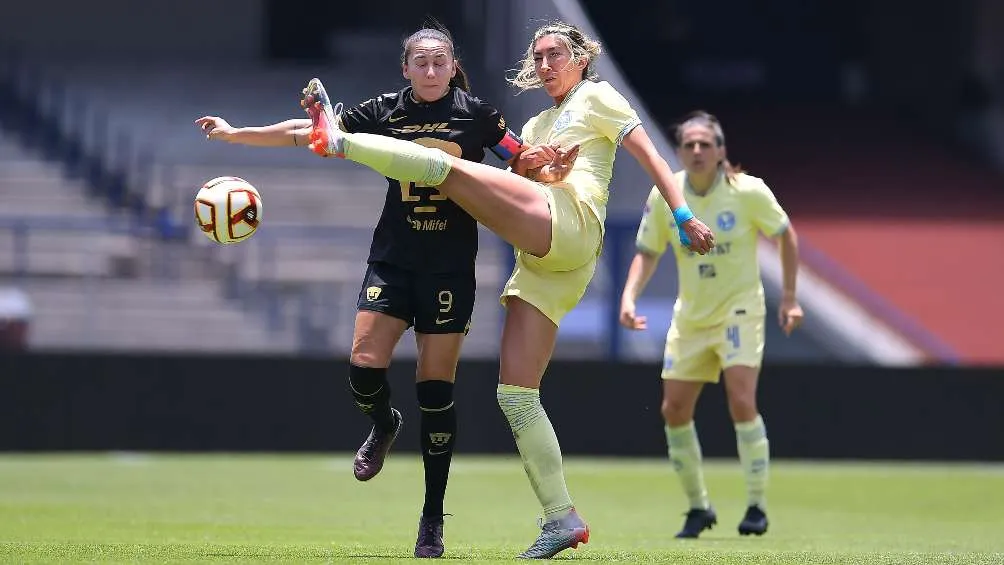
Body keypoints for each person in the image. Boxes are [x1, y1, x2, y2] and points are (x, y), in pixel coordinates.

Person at [300, 20, 716, 559]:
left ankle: (341, 142)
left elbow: (652, 155)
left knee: (444, 168)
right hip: (548, 263)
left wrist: (682, 214)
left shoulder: (597, 96)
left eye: (555, 55)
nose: (545, 66)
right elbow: (527, 179)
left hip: (571, 223)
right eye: (538, 58)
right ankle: (561, 518)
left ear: (581, 59)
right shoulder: (538, 122)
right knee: (515, 395)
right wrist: (540, 167)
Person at [195, 23, 522, 559]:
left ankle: (432, 518)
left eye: (440, 62)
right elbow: (313, 132)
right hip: (394, 260)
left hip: (450, 268)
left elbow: (519, 157)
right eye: (422, 62)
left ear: (453, 65)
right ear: (406, 69)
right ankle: (384, 423)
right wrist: (237, 134)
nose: (432, 71)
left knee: (435, 390)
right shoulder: (386, 110)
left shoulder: (479, 115)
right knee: (363, 366)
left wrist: (545, 164)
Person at [619, 110, 803, 539]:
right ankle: (698, 506)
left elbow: (786, 235)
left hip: (740, 310)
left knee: (741, 400)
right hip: (692, 316)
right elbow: (648, 251)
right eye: (689, 145)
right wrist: (629, 297)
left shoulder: (747, 191)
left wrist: (791, 299)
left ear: (721, 151)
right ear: (679, 152)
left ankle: (756, 505)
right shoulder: (668, 195)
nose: (697, 151)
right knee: (674, 409)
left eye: (706, 144)